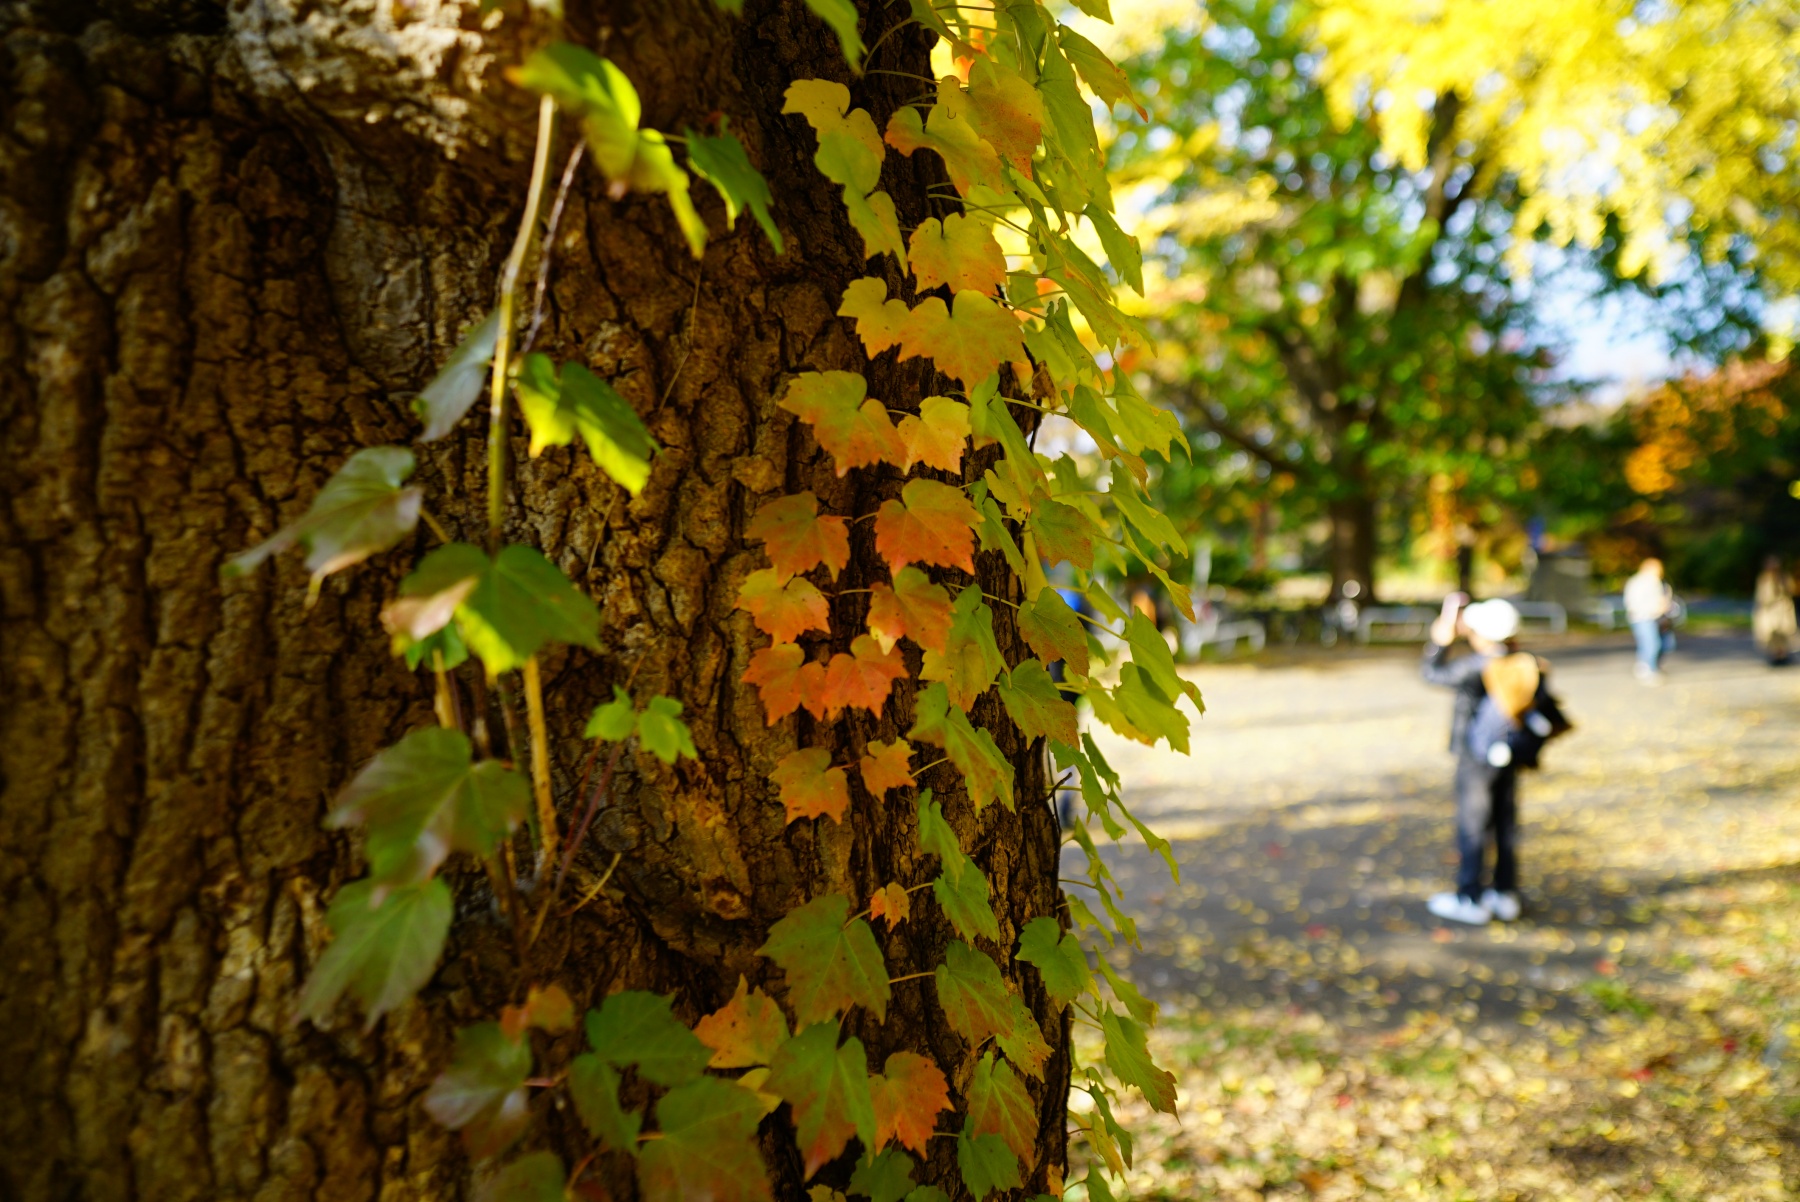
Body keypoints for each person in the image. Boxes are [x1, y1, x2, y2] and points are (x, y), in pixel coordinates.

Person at [1420, 595, 1525, 925]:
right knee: (1504, 824)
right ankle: (1504, 892)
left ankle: (1470, 897)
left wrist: (1441, 640)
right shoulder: (1523, 663)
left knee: (1473, 826)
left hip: (1476, 758)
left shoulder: (1476, 666)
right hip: (1509, 754)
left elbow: (1431, 673)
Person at [1623, 558, 1675, 681]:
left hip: (1659, 618)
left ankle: (1652, 665)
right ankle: (1647, 669)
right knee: (1651, 644)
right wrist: (1655, 608)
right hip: (1643, 617)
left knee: (1666, 644)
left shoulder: (1660, 582)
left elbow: (1666, 598)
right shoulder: (1637, 582)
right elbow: (1633, 603)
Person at [1753, 555, 1797, 666]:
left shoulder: (1784, 577)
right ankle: (1775, 654)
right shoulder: (1763, 579)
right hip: (1769, 609)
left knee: (1783, 632)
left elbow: (1791, 590)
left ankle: (1783, 653)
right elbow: (1761, 596)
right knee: (1771, 633)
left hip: (1782, 608)